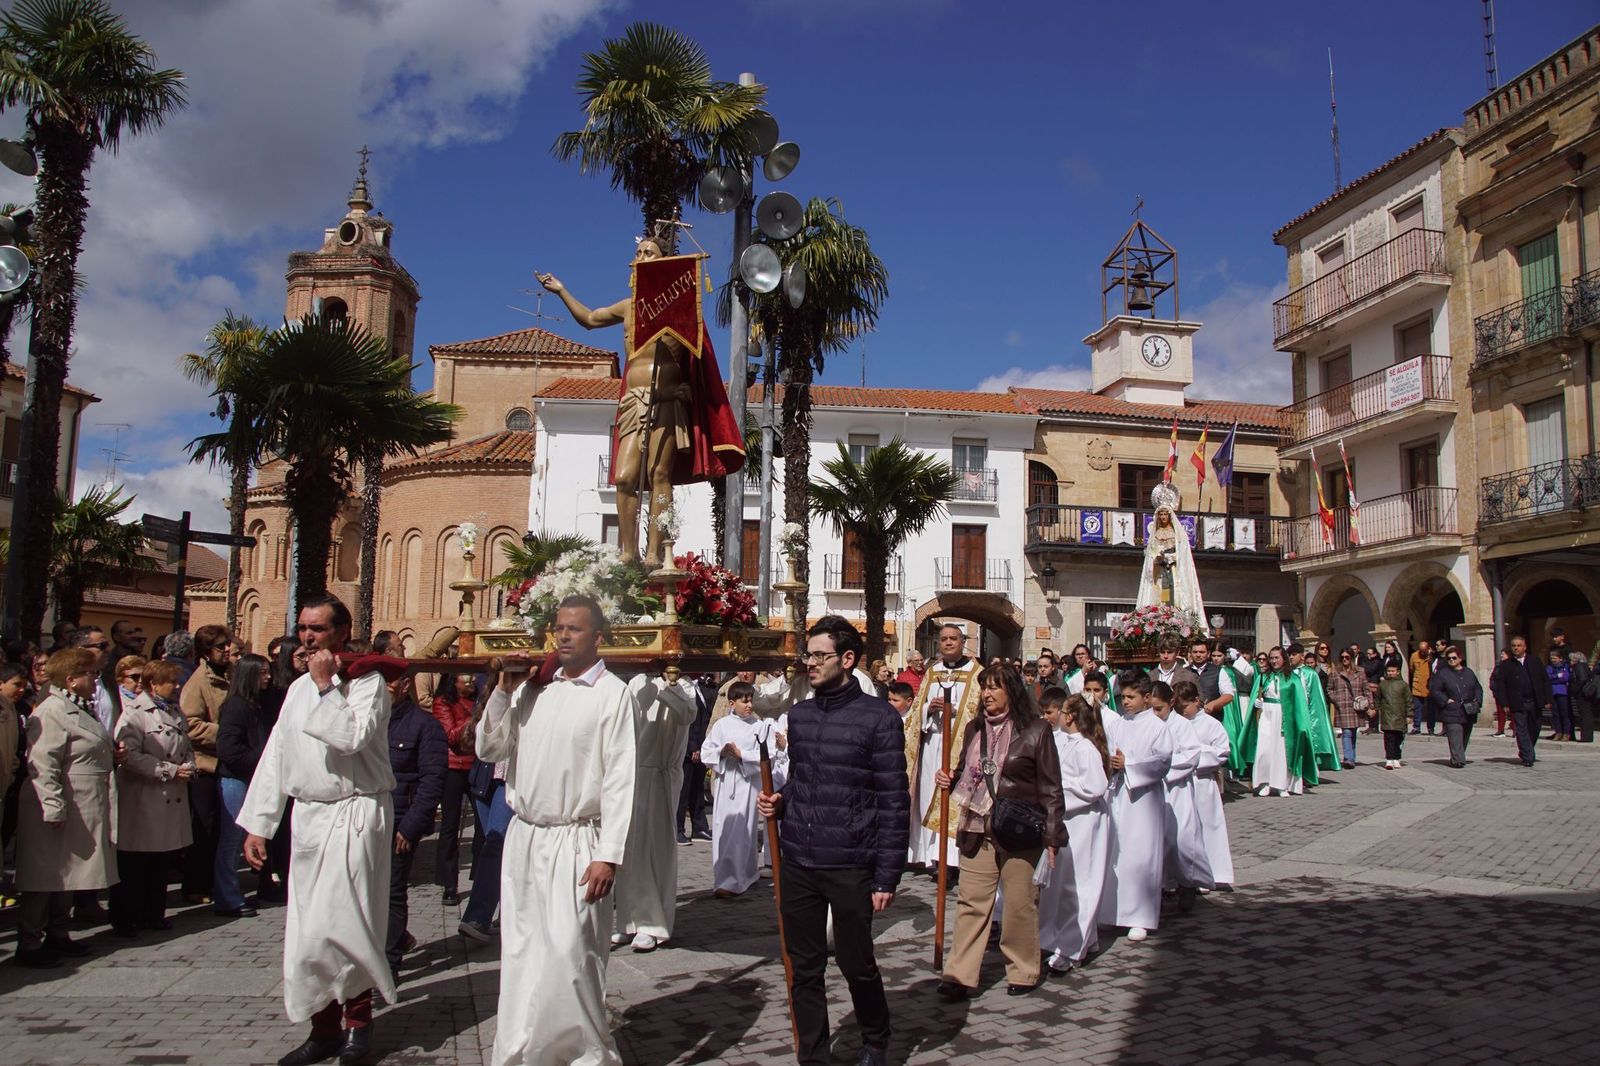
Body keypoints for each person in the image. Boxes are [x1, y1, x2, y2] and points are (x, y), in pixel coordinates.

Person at [476, 595, 636, 1065]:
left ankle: (583, 1055)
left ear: (599, 637)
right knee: (525, 953)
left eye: (575, 629)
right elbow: (490, 748)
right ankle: (524, 1050)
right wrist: (504, 691)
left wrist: (609, 853)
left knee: (573, 954)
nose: (564, 636)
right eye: (559, 628)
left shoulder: (612, 694)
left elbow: (620, 779)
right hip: (526, 838)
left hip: (577, 841)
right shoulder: (533, 690)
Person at [239, 595, 396, 1066]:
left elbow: (351, 738)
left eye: (318, 630)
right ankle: (323, 1028)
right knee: (309, 933)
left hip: (355, 814)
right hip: (309, 818)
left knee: (347, 925)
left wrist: (329, 685)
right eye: (303, 628)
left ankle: (359, 1028)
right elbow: (277, 758)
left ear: (341, 634)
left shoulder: (367, 684)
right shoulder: (296, 691)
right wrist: (259, 825)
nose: (307, 638)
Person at [756, 615, 907, 1066]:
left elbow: (893, 800)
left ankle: (875, 1038)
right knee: (804, 968)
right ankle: (814, 1055)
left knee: (856, 963)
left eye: (820, 655)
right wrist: (781, 801)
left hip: (850, 861)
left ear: (847, 659)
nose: (811, 663)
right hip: (799, 858)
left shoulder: (879, 718)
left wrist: (887, 876)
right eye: (809, 655)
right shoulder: (799, 716)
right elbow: (803, 780)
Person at [538, 237, 744, 566]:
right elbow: (590, 319)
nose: (641, 256)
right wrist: (561, 291)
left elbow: (699, 354)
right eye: (638, 252)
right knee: (624, 477)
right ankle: (627, 552)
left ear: (664, 261)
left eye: (649, 252)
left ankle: (654, 554)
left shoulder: (681, 306)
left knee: (659, 476)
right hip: (633, 400)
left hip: (666, 398)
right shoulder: (628, 306)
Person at [935, 661, 1065, 998]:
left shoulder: (1036, 731)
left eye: (995, 687)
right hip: (977, 827)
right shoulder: (974, 729)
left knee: (1020, 904)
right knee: (971, 903)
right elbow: (966, 770)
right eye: (984, 687)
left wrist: (1052, 835)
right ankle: (960, 975)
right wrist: (950, 777)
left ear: (1012, 691)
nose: (987, 693)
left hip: (1018, 829)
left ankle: (1022, 969)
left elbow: (1051, 787)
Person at [13, 648, 120, 968]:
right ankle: (30, 942)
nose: (94, 680)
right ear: (71, 680)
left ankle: (58, 934)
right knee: (43, 876)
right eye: (90, 674)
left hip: (82, 801)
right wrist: (53, 805)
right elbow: (42, 762)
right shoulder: (51, 711)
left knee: (67, 874)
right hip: (57, 803)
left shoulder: (79, 707)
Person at [614, 666, 698, 951]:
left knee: (656, 849)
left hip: (662, 774)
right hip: (634, 772)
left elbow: (687, 714)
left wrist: (668, 682)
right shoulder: (638, 680)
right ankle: (628, 920)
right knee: (629, 849)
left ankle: (652, 922)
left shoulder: (684, 685)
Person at [108, 657, 193, 937]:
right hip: (144, 797)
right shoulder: (135, 713)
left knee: (160, 860)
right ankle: (127, 917)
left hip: (170, 797)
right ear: (154, 685)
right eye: (171, 681)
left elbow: (185, 744)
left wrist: (189, 764)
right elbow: (128, 755)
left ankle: (153, 913)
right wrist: (168, 770)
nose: (177, 685)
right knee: (137, 862)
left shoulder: (175, 711)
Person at [1037, 693, 1109, 976]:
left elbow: (1094, 787)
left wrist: (1060, 788)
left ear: (1071, 717)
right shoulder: (1061, 740)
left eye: (1063, 711)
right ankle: (1080, 939)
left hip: (1084, 822)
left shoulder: (1086, 748)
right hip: (1065, 821)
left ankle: (1071, 945)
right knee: (1061, 884)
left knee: (1079, 884)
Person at [384, 672, 447, 975]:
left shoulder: (424, 725)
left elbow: (432, 779)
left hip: (399, 822)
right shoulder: (368, 722)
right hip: (366, 823)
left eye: (388, 682)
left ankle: (389, 963)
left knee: (393, 892)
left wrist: (412, 825)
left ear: (405, 684)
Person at [701, 679, 786, 898]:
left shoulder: (760, 727)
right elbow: (706, 751)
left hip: (748, 785)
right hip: (726, 782)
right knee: (723, 830)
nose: (749, 705)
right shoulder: (721, 726)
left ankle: (742, 876)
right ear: (731, 703)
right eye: (744, 701)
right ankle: (724, 879)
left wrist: (742, 756)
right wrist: (722, 752)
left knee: (742, 831)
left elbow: (768, 756)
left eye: (751, 700)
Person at [910, 622, 982, 873]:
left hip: (962, 748)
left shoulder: (977, 672)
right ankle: (931, 856)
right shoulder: (932, 672)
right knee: (929, 793)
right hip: (934, 741)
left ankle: (952, 859)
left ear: (963, 642)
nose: (948, 642)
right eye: (944, 639)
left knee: (955, 799)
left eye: (954, 638)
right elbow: (916, 709)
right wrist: (929, 709)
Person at [216, 653, 283, 914]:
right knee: (231, 844)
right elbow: (229, 749)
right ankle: (228, 898)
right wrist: (263, 759)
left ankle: (236, 894)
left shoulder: (255, 704)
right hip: (236, 781)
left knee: (246, 841)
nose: (268, 677)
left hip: (249, 778)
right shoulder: (235, 706)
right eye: (262, 673)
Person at [180, 623, 233, 905]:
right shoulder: (198, 681)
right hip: (204, 765)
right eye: (220, 646)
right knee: (204, 827)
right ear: (205, 651)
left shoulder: (230, 674)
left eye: (228, 645)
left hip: (225, 763)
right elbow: (189, 724)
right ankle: (195, 884)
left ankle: (213, 881)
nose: (226, 650)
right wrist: (225, 734)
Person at [1149, 681, 1210, 910]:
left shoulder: (1182, 726)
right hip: (1154, 790)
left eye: (1159, 709)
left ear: (1171, 703)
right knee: (1158, 841)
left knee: (1181, 839)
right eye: (1151, 709)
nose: (1155, 714)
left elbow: (1192, 756)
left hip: (1176, 789)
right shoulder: (1148, 726)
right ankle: (1162, 886)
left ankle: (1187, 883)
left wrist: (1164, 768)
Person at [1174, 681, 1232, 888]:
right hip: (1181, 782)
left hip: (1203, 782)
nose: (1183, 712)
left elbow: (1223, 751)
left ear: (1197, 701)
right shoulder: (1176, 724)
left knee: (1208, 826)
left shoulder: (1211, 724)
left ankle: (1215, 873)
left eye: (1185, 707)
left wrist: (1198, 755)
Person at [1239, 647, 1317, 797]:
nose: (1274, 661)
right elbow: (1258, 692)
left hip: (1283, 716)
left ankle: (1282, 784)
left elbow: (1299, 702)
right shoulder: (1264, 677)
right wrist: (1257, 703)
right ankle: (1265, 782)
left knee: (1281, 750)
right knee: (1265, 749)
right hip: (1266, 715)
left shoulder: (1292, 678)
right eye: (1272, 658)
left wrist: (1300, 723)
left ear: (1284, 659)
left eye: (1277, 658)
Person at [429, 671, 478, 906]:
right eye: (465, 678)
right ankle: (449, 883)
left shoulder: (477, 700)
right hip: (454, 766)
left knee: (483, 826)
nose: (472, 681)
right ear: (454, 680)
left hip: (477, 765)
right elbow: (451, 736)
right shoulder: (444, 703)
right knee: (450, 826)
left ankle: (480, 879)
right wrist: (477, 719)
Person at [1136, 498, 1206, 620]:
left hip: (1173, 569)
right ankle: (1162, 613)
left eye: (1165, 514)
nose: (1163, 517)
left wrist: (1172, 558)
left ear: (1169, 515)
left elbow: (1183, 553)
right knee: (1161, 592)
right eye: (1161, 514)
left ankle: (1175, 614)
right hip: (1159, 570)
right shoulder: (1156, 534)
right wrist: (1156, 557)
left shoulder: (1177, 533)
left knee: (1175, 590)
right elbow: (1151, 553)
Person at [1491, 636, 1553, 768]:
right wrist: (1504, 703)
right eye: (1513, 645)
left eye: (1519, 645)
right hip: (1517, 702)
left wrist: (1548, 698)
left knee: (1535, 728)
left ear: (1525, 647)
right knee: (1521, 729)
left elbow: (1545, 680)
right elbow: (1501, 685)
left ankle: (1526, 749)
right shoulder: (1506, 665)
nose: (1516, 648)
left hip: (1534, 701)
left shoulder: (1534, 661)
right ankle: (1528, 756)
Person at [676, 671, 714, 844]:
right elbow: (688, 722)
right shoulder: (682, 688)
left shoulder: (702, 687)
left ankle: (699, 827)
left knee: (697, 790)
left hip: (702, 744)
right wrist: (693, 747)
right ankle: (678, 828)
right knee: (683, 792)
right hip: (689, 748)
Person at [1430, 648, 1484, 769]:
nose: (1451, 660)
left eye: (1454, 658)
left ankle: (1458, 756)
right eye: (1449, 658)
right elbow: (1435, 690)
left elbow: (1478, 688)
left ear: (1460, 658)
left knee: (1464, 735)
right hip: (1452, 710)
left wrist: (1478, 700)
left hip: (1469, 710)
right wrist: (1445, 700)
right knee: (1455, 734)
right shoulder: (1442, 673)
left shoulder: (1469, 672)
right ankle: (1457, 760)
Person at [1326, 650, 1367, 769]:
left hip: (1356, 706)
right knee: (1347, 732)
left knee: (1353, 732)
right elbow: (1329, 689)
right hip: (1342, 706)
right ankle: (1348, 758)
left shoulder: (1360, 671)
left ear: (1352, 658)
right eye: (1342, 657)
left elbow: (1366, 688)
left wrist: (1369, 703)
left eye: (1347, 657)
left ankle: (1351, 757)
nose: (1344, 659)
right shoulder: (1335, 672)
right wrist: (1336, 699)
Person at [1376, 661, 1410, 769]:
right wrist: (1377, 709)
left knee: (1399, 738)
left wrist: (1410, 715)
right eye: (1389, 671)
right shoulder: (1382, 684)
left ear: (1398, 672)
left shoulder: (1403, 685)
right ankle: (1389, 759)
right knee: (1389, 739)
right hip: (1387, 716)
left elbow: (1408, 701)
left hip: (1400, 715)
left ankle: (1396, 758)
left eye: (1393, 671)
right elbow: (1377, 699)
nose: (1390, 673)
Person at [1408, 639, 1434, 735]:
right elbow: (1411, 668)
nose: (1422, 652)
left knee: (1431, 708)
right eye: (1421, 650)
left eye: (1424, 650)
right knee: (1417, 707)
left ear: (1428, 649)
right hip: (1417, 685)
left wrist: (1430, 656)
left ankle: (1431, 728)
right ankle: (1416, 727)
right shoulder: (1414, 655)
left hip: (1429, 685)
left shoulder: (1432, 656)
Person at [1547, 650, 1573, 742]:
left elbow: (1565, 678)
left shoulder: (1565, 666)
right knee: (1555, 714)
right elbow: (1547, 678)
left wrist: (1555, 678)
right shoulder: (1549, 667)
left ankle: (1566, 733)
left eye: (1555, 658)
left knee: (1564, 714)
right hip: (1553, 693)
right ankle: (1558, 732)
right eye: (1551, 658)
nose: (1553, 660)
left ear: (1560, 658)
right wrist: (1558, 676)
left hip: (1563, 693)